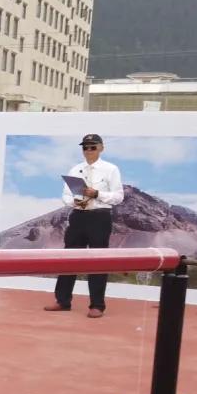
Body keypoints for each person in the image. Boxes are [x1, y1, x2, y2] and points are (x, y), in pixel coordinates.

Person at [45, 134, 124, 319]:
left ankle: (97, 305)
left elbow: (119, 196)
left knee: (98, 260)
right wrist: (74, 202)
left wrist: (97, 194)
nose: (88, 151)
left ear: (101, 148)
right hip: (78, 216)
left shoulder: (111, 169)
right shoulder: (75, 169)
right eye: (85, 147)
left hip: (99, 217)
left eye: (92, 147)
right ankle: (62, 300)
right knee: (69, 258)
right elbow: (65, 195)